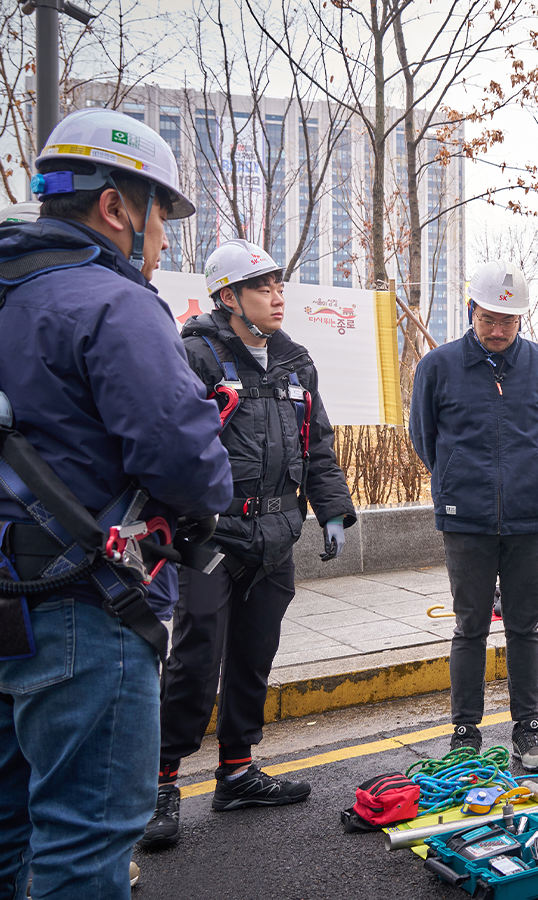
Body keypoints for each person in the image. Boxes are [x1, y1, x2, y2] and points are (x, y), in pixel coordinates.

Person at [0, 108, 232, 898]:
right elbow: (186, 462)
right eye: (160, 216)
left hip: (8, 600)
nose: (162, 239)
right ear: (116, 208)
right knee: (85, 843)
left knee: (6, 836)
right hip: (79, 611)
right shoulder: (114, 302)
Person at [139, 239, 356, 848]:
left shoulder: (295, 360)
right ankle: (160, 783)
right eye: (263, 288)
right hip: (211, 537)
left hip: (276, 537)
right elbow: (169, 444)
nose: (278, 297)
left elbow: (317, 441)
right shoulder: (195, 355)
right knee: (195, 659)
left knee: (255, 655)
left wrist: (333, 511)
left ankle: (237, 771)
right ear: (228, 298)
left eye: (280, 286)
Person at [409, 260, 538, 771]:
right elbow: (425, 438)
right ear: (470, 313)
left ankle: (528, 726)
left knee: (525, 626)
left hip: (532, 518)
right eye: (488, 319)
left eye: (508, 320)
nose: (498, 330)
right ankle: (465, 731)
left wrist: (532, 478)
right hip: (466, 518)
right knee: (469, 627)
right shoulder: (437, 367)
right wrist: (459, 480)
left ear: (522, 320)